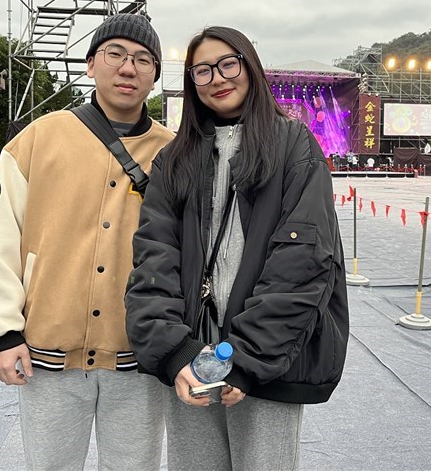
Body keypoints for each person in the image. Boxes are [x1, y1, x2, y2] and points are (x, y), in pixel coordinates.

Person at [125, 26, 349, 471]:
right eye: (203, 70)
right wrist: (176, 353)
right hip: (195, 357)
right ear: (191, 81)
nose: (218, 77)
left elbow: (303, 260)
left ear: (249, 66)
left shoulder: (293, 145)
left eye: (229, 63)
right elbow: (154, 257)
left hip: (267, 361)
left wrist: (248, 359)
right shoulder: (175, 159)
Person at [0, 14, 173, 470]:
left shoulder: (176, 152)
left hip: (139, 356)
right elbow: (3, 238)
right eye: (115, 54)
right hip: (49, 355)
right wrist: (2, 333)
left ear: (155, 75)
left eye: (143, 60)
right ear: (90, 65)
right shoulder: (38, 140)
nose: (128, 68)